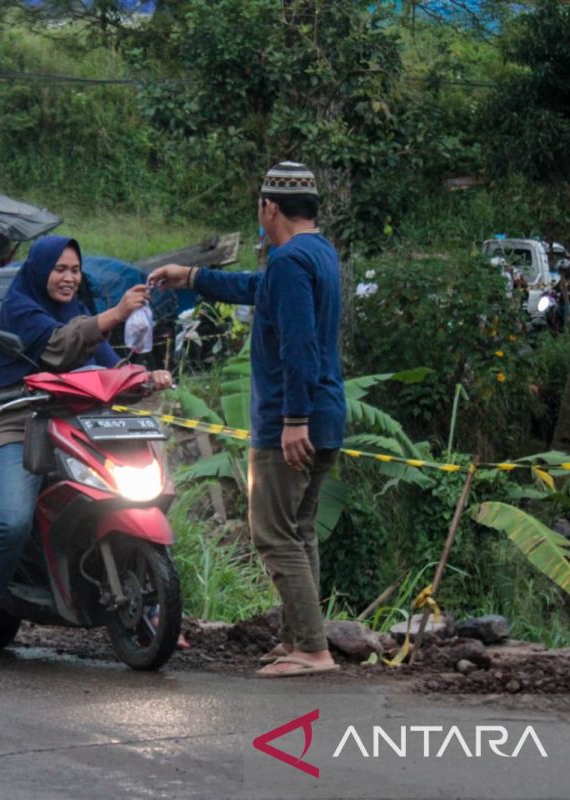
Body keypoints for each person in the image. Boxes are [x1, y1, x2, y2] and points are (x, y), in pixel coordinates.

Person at [149, 161, 345, 678]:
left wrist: (294, 419)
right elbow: (256, 290)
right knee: (300, 532)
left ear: (269, 207)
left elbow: (299, 343)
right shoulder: (318, 253)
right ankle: (298, 638)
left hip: (294, 417)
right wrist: (191, 276)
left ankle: (312, 650)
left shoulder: (288, 261)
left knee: (274, 535)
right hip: (326, 413)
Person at [0, 235, 169, 668]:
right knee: (13, 521)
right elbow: (60, 345)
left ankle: (152, 612)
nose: (69, 278)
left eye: (74, 270)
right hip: (17, 423)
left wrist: (143, 378)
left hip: (74, 423)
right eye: (60, 269)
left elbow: (109, 364)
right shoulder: (21, 308)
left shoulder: (78, 312)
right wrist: (115, 313)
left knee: (131, 496)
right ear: (40, 270)